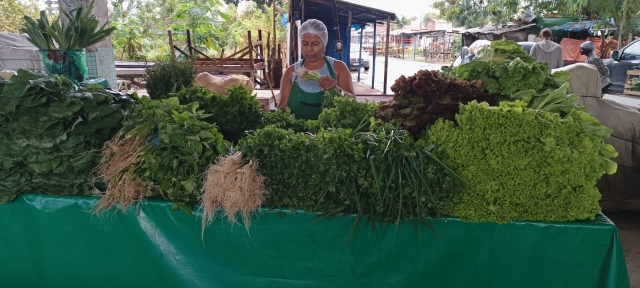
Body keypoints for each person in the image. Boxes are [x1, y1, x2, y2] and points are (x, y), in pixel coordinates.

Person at [278, 19, 355, 120]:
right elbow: (282, 109)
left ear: (324, 45)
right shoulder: (291, 72)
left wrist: (336, 88)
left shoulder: (339, 68)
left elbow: (353, 103)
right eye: (305, 44)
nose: (309, 49)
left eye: (315, 44)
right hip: (296, 134)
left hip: (330, 134)